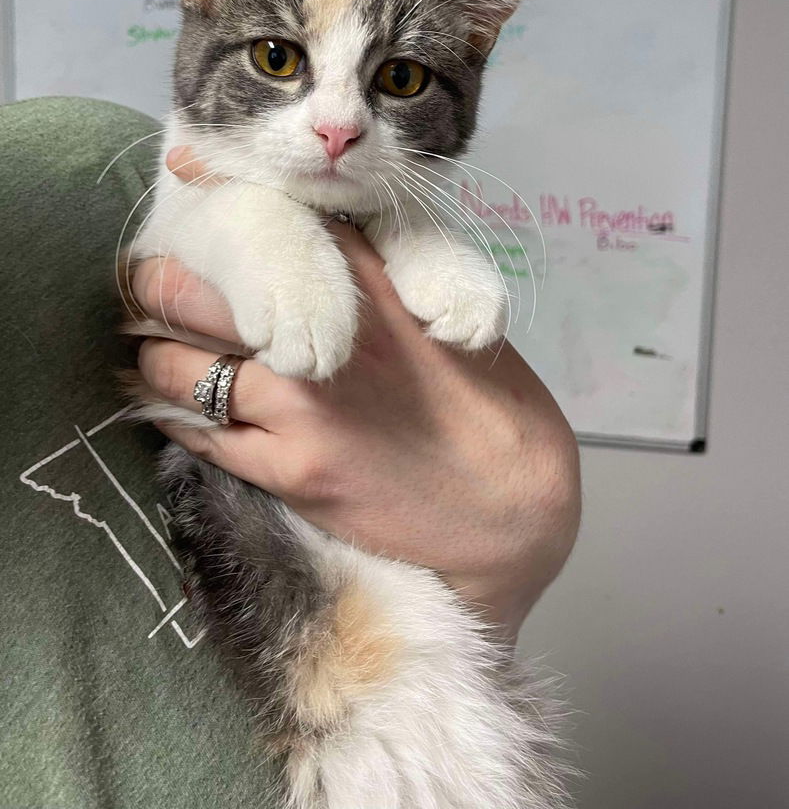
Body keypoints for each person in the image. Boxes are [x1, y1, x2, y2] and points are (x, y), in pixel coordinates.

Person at [2, 97, 580, 808]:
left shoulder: (77, 167)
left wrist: (516, 533)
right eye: (279, 59)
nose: (337, 125)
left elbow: (463, 596)